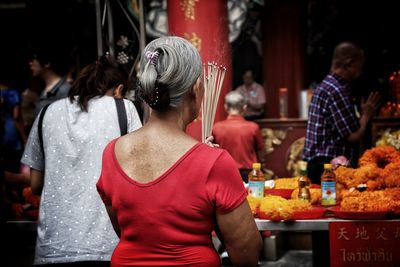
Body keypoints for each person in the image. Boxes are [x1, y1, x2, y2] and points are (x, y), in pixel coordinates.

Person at [96, 36, 262, 267]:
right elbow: (247, 254)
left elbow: (126, 231)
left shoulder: (112, 153)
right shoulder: (214, 162)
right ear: (195, 88)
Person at [21, 56, 142, 266]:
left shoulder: (46, 113)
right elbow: (140, 172)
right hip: (108, 247)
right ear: (119, 90)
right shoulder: (124, 108)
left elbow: (35, 184)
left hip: (53, 248)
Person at [302, 42, 380, 184]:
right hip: (329, 166)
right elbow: (353, 136)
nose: (360, 72)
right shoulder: (336, 90)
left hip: (322, 164)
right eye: (359, 67)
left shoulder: (328, 86)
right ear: (349, 64)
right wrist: (366, 116)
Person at [212, 90, 265, 182]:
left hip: (224, 173)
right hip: (248, 175)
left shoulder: (216, 128)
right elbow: (261, 151)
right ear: (244, 108)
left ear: (225, 107)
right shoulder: (253, 127)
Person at [29, 48, 72, 118]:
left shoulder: (65, 90)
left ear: (46, 63)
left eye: (33, 60)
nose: (30, 64)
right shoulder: (45, 89)